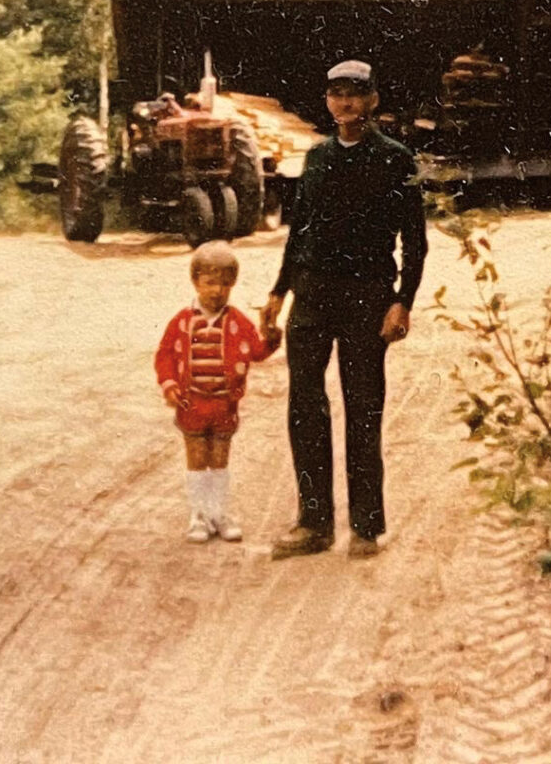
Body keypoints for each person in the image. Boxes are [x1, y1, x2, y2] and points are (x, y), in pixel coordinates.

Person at [263, 59, 428, 560]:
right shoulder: (315, 159)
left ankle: (365, 527)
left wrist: (403, 302)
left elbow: (415, 243)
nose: (345, 102)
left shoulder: (396, 160)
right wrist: (277, 293)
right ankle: (313, 524)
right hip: (312, 297)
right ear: (327, 100)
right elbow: (299, 233)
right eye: (336, 93)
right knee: (305, 407)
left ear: (373, 100)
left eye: (354, 93)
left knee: (363, 409)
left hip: (367, 297)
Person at [155, 241, 281, 543]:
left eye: (225, 284)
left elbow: (257, 352)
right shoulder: (183, 321)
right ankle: (199, 515)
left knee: (220, 459)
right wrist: (169, 384)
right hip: (192, 403)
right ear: (196, 281)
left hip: (224, 405)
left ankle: (218, 513)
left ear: (233, 285)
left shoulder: (237, 321)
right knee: (197, 458)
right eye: (209, 283)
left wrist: (272, 336)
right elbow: (164, 356)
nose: (217, 291)